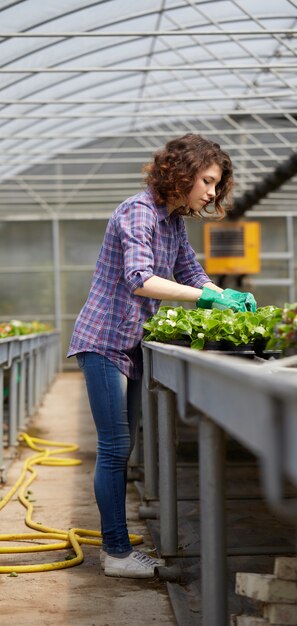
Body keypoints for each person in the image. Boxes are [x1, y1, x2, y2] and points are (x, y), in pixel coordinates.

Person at [67, 133, 256, 579]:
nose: (212, 192)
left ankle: (117, 545)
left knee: (123, 447)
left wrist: (222, 293)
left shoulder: (172, 220)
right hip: (103, 341)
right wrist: (207, 302)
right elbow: (139, 278)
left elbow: (189, 268)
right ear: (184, 172)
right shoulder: (139, 211)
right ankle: (115, 554)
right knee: (114, 450)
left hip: (130, 344)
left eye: (216, 184)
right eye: (208, 181)